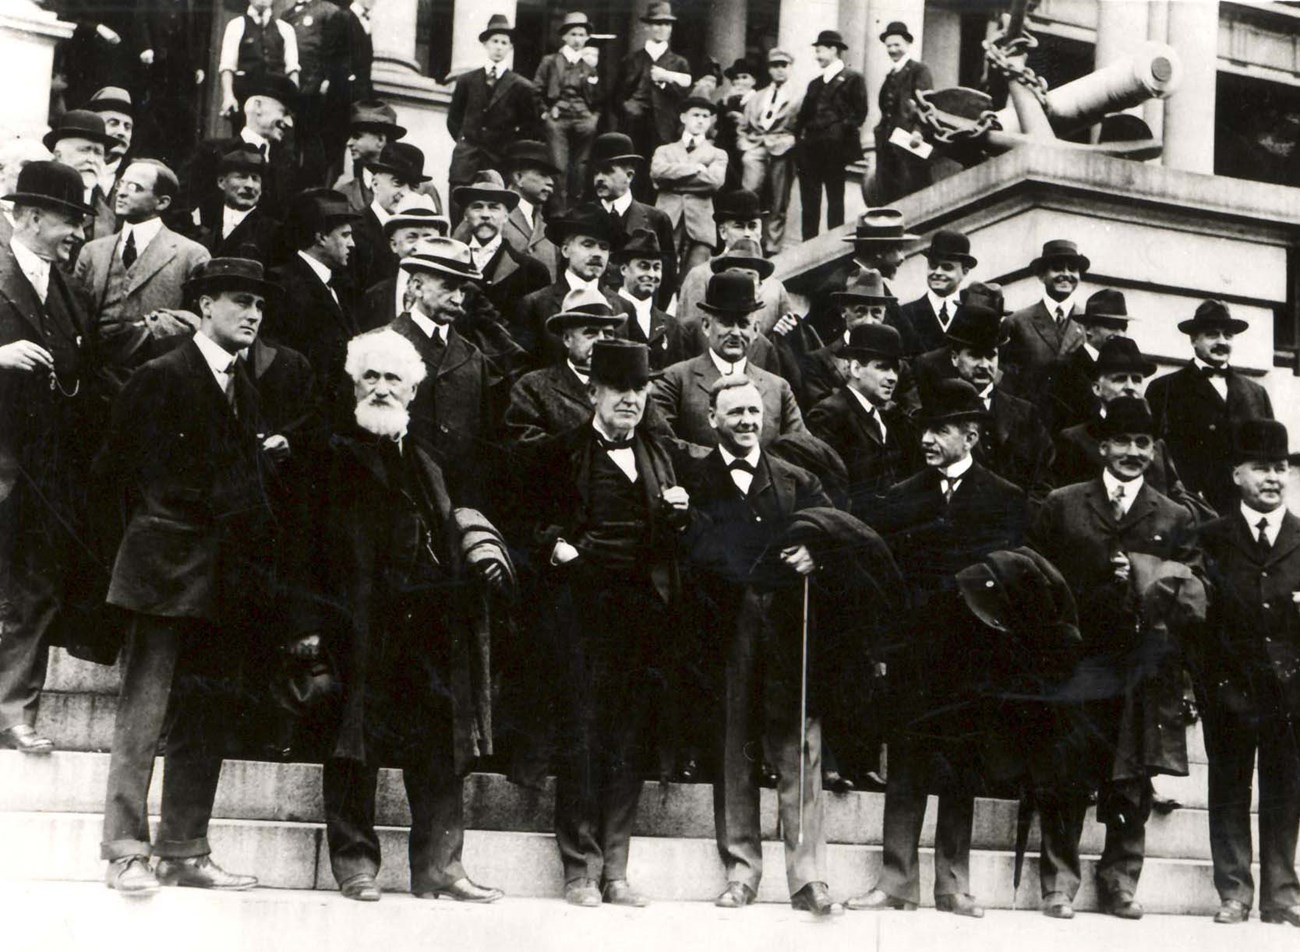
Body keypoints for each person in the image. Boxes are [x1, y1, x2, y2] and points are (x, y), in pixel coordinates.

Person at [95, 257, 290, 896]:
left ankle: (184, 849)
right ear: (204, 306)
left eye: (259, 307)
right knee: (143, 717)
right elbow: (117, 474)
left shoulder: (249, 388)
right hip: (163, 569)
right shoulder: (159, 376)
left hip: (225, 577)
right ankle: (125, 850)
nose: (253, 315)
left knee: (205, 713)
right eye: (239, 302)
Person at [318, 327, 508, 905]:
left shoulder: (426, 458)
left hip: (426, 625)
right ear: (354, 384)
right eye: (369, 377)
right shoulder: (330, 452)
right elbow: (306, 549)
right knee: (354, 748)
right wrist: (308, 626)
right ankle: (355, 865)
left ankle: (440, 869)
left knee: (439, 750)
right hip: (357, 623)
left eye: (392, 378)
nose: (380, 388)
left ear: (413, 390)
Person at [523, 339, 693, 908]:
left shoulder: (659, 451)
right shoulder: (561, 451)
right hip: (581, 614)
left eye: (640, 390)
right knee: (583, 737)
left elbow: (672, 537)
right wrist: (559, 551)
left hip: (643, 615)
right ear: (593, 392)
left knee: (629, 742)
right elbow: (532, 523)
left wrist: (678, 517)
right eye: (620, 389)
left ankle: (615, 869)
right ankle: (579, 868)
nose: (631, 400)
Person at [851, 378, 1026, 919]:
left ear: (970, 435)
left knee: (961, 768)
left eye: (941, 429)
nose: (928, 438)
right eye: (925, 428)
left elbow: (1014, 580)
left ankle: (953, 883)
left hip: (973, 659)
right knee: (905, 765)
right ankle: (896, 882)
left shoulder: (1005, 498)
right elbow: (884, 578)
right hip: (915, 656)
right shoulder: (902, 495)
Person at [684, 374, 853, 918]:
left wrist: (815, 555)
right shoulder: (694, 478)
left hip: (789, 626)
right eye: (734, 413)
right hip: (726, 624)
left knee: (799, 747)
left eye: (754, 412)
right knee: (735, 744)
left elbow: (834, 527)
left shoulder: (797, 478)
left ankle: (809, 879)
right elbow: (690, 542)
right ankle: (741, 873)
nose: (747, 422)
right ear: (713, 419)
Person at [1029, 395, 1202, 920]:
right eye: (1123, 441)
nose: (1133, 452)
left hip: (1140, 666)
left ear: (1154, 450)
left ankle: (1120, 882)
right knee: (1065, 774)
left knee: (1130, 782)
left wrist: (1148, 575)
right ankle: (1059, 883)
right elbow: (1034, 577)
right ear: (1103, 446)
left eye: (1143, 443)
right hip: (1078, 662)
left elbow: (1193, 590)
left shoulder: (1173, 516)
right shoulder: (1062, 503)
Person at [0, 162, 96, 756]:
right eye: (68, 220)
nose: (76, 234)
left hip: (48, 471)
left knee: (36, 588)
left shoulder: (72, 294)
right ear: (32, 217)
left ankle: (13, 713)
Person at [1197, 419, 1300, 928]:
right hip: (1229, 687)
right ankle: (1234, 892)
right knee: (1230, 788)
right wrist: (1209, 681)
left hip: (1291, 692)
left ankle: (1282, 893)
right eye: (1261, 467)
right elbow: (1195, 617)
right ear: (1236, 473)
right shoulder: (1210, 538)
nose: (1273, 478)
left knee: (1286, 790)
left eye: (1281, 468)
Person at [74, 159, 210, 381]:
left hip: (157, 381)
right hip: (95, 380)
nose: (122, 193)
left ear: (162, 202)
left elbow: (201, 324)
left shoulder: (191, 254)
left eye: (134, 187)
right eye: (121, 184)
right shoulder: (92, 251)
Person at [388, 239, 498, 507]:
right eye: (448, 287)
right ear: (416, 286)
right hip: (400, 496)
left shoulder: (473, 357)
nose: (458, 298)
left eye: (462, 289)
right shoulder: (383, 345)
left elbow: (484, 439)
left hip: (459, 500)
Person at [1050, 337, 1208, 523]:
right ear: (1097, 388)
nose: (1130, 387)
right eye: (1120, 379)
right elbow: (1067, 506)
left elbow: (1179, 497)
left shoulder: (1156, 444)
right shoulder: (1075, 439)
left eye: (1136, 380)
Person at [1147, 299, 1274, 516]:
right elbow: (1152, 456)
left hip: (1243, 512)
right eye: (1212, 334)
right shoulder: (1165, 389)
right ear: (1194, 339)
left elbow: (1269, 454)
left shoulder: (1255, 393)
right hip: (1190, 512)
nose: (1222, 341)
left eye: (1228, 335)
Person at [652, 271, 804, 448]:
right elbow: (660, 441)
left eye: (743, 324)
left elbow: (801, 448)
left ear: (755, 331)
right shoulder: (675, 380)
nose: (735, 332)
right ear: (707, 326)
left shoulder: (778, 388)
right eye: (726, 322)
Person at [807, 322, 919, 519]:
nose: (892, 377)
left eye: (895, 369)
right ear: (856, 369)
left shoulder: (889, 415)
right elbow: (831, 491)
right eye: (882, 368)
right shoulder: (828, 415)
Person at [942, 301, 1055, 499]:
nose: (984, 365)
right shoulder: (938, 411)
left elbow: (1044, 478)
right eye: (975, 356)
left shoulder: (1026, 413)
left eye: (991, 356)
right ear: (954, 357)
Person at [266, 188, 361, 418]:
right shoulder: (283, 285)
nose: (353, 244)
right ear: (320, 237)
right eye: (345, 235)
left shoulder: (337, 283)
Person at [446, 14, 542, 224]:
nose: (498, 47)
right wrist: (467, 141)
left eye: (504, 42)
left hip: (499, 161)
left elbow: (530, 127)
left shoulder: (521, 86)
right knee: (459, 217)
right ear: (485, 44)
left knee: (491, 220)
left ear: (510, 47)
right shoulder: (466, 81)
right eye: (495, 41)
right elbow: (454, 120)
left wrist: (508, 148)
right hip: (465, 163)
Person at [504, 287, 623, 446]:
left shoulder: (631, 388)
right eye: (591, 333)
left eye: (608, 334)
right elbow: (525, 449)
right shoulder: (533, 388)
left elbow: (661, 441)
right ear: (567, 339)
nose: (601, 342)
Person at [515, 203, 631, 364]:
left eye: (604, 247)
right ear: (565, 250)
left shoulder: (623, 306)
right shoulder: (535, 304)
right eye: (588, 244)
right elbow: (523, 367)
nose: (597, 254)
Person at [676, 189, 794, 343]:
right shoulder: (701, 275)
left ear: (760, 231)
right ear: (723, 232)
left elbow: (788, 334)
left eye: (752, 226)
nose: (747, 233)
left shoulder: (775, 286)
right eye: (739, 226)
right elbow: (690, 333)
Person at [185, 75, 300, 220]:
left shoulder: (286, 163)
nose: (289, 123)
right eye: (284, 113)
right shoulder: (210, 152)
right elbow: (187, 206)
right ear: (258, 106)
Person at [795, 30, 867, 239]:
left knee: (835, 199)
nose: (816, 55)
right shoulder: (815, 83)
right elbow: (803, 117)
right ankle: (808, 246)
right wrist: (798, 141)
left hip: (835, 149)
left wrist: (838, 131)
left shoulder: (853, 78)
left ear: (833, 50)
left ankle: (834, 245)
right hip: (810, 150)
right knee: (809, 201)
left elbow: (859, 113)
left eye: (819, 50)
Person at [452, 170, 551, 322]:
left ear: (506, 216)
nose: (485, 214)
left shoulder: (532, 271)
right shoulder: (450, 263)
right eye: (477, 207)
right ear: (466, 215)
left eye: (493, 207)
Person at [590, 133, 676, 307]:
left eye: (607, 171)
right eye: (596, 172)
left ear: (629, 176)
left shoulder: (656, 220)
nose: (599, 178)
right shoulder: (583, 216)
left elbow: (667, 278)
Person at [616, 2, 692, 196]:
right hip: (634, 125)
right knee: (632, 172)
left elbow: (685, 97)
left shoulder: (679, 63)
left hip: (665, 126)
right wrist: (627, 109)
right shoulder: (631, 60)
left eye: (667, 24)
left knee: (660, 175)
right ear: (647, 27)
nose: (662, 29)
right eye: (657, 24)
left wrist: (666, 82)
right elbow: (617, 94)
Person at [1001, 239, 1089, 401]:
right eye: (1057, 268)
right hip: (1031, 418)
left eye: (1072, 269)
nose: (1066, 274)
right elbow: (1006, 382)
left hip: (1078, 420)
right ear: (1041, 276)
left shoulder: (1090, 322)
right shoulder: (1017, 322)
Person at [535, 12, 605, 210]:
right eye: (573, 34)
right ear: (564, 36)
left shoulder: (590, 67)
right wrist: (545, 113)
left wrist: (593, 120)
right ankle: (558, 213)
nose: (577, 39)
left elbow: (599, 99)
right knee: (558, 166)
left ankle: (575, 212)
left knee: (581, 169)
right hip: (558, 121)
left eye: (582, 35)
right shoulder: (550, 61)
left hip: (584, 122)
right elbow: (536, 91)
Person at [652, 96, 728, 274]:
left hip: (701, 224)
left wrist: (672, 182)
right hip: (667, 218)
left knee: (695, 279)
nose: (700, 120)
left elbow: (714, 182)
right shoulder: (664, 150)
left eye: (705, 116)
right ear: (683, 117)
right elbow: (657, 173)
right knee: (661, 274)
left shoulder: (718, 154)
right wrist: (695, 168)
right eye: (696, 115)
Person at [737, 49, 800, 257]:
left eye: (784, 65)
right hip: (756, 147)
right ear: (769, 69)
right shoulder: (758, 97)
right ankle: (745, 242)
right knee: (749, 194)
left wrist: (792, 141)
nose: (779, 70)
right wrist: (745, 144)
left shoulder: (798, 96)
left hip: (783, 149)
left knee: (778, 199)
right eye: (775, 66)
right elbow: (743, 126)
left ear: (790, 67)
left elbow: (801, 125)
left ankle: (772, 247)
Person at [133, 0, 211, 166]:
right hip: (156, 59)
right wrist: (145, 46)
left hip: (181, 65)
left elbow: (196, 31)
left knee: (181, 114)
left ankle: (176, 163)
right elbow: (140, 16)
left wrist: (197, 65)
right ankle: (150, 157)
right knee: (154, 110)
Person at [282, 0, 350, 181]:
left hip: (313, 89)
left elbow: (332, 50)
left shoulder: (328, 11)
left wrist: (324, 80)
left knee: (312, 141)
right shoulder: (288, 14)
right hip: (290, 88)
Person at [1047, 288, 1133, 432]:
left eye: (1123, 327)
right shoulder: (1066, 369)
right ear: (1088, 328)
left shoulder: (1126, 368)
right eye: (1111, 326)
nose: (1119, 334)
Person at [350, 142, 431, 290]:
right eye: (398, 183)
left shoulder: (424, 233)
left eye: (413, 186)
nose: (406, 193)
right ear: (375, 184)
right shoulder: (354, 229)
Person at [360, 197, 449, 329]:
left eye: (428, 237)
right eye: (412, 237)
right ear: (394, 245)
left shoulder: (463, 293)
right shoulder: (374, 296)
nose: (420, 246)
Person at [872, 22, 933, 203]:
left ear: (907, 44)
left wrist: (918, 131)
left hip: (909, 141)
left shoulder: (919, 70)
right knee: (887, 192)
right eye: (889, 46)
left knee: (910, 188)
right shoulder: (890, 75)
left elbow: (926, 105)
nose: (892, 50)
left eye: (897, 45)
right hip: (887, 142)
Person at [190, 145, 281, 264]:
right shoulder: (204, 222)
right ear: (221, 182)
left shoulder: (274, 232)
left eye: (255, 179)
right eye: (241, 177)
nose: (249, 185)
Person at [894, 229, 976, 356]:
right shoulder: (906, 314)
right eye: (933, 265)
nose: (937, 272)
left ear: (965, 271)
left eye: (947, 267)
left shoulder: (975, 312)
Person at [217, 0, 301, 121]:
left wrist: (293, 102)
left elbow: (292, 69)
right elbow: (227, 67)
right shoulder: (236, 25)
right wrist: (228, 96)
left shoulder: (285, 29)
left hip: (277, 96)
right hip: (246, 96)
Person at [44, 109, 118, 246]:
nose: (92, 160)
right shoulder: (37, 203)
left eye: (98, 153)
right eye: (84, 150)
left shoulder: (112, 217)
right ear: (58, 156)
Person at [612, 227, 676, 364]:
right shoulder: (607, 311)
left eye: (657, 267)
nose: (652, 275)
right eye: (644, 266)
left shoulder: (672, 326)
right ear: (624, 269)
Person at [333, 100, 408, 212]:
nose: (348, 143)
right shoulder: (343, 192)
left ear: (380, 140)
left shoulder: (418, 189)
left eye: (356, 136)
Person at [84, 86, 134, 212]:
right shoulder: (76, 169)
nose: (122, 132)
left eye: (127, 127)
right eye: (113, 123)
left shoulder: (136, 175)